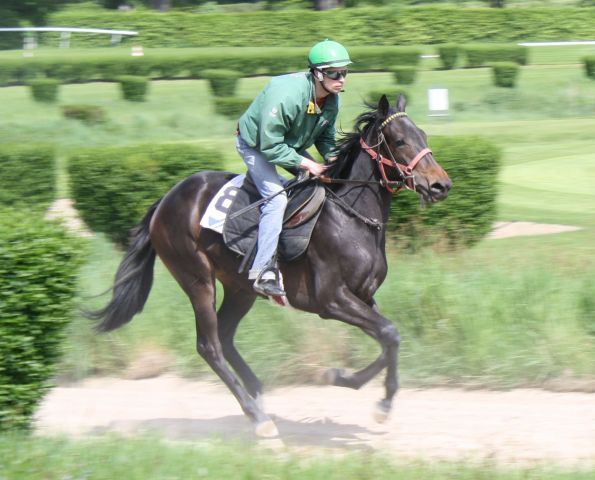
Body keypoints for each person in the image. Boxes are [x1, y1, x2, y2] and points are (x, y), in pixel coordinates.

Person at [236, 39, 351, 297]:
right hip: (257, 145)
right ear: (317, 73)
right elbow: (271, 146)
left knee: (325, 184)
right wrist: (309, 164)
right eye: (334, 73)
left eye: (344, 72)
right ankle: (264, 271)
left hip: (288, 143)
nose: (341, 78)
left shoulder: (331, 99)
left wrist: (335, 162)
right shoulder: (287, 95)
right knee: (275, 200)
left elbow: (325, 138)